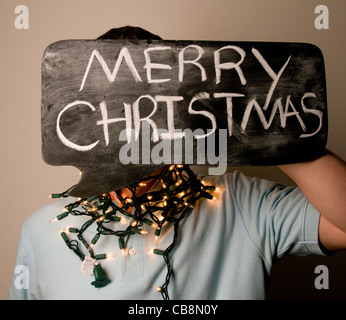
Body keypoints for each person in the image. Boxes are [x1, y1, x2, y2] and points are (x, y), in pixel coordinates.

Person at [8, 26, 346, 300]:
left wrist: (264, 127)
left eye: (151, 107)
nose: (135, 129)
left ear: (176, 112)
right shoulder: (43, 231)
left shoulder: (240, 203)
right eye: (116, 109)